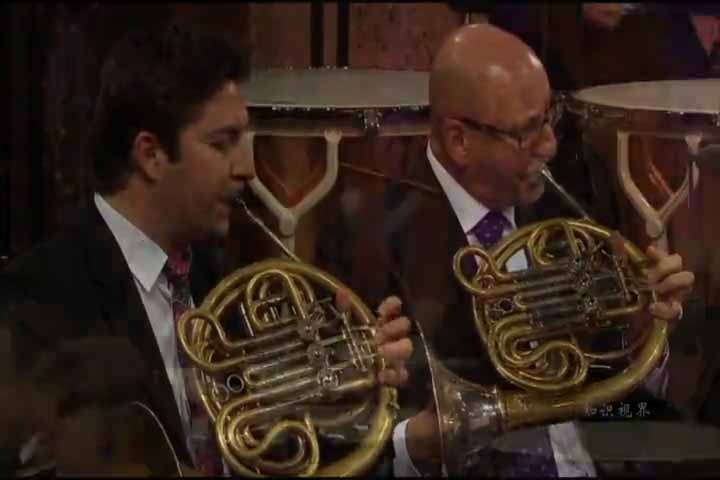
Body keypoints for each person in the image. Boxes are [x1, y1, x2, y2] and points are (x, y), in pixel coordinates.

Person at [0, 22, 413, 476]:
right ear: (151, 155)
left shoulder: (219, 281)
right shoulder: (39, 299)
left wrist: (347, 379)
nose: (247, 168)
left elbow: (274, 445)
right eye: (223, 143)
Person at [366, 23, 694, 477]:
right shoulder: (372, 240)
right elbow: (346, 437)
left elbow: (622, 398)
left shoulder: (579, 192)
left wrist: (644, 331)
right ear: (459, 141)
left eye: (548, 118)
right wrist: (412, 446)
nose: (550, 145)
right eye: (526, 132)